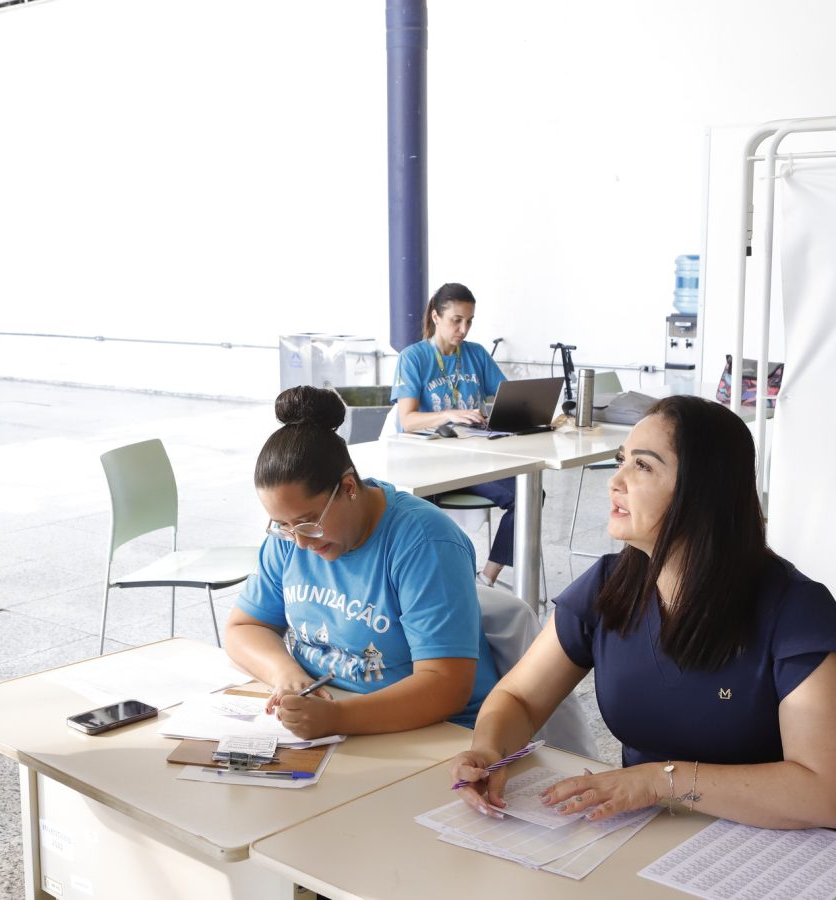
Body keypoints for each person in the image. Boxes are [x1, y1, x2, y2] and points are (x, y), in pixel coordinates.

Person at [450, 395, 836, 829]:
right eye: (621, 460)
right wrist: (489, 750)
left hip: (762, 848)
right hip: (638, 834)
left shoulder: (796, 610)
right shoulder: (608, 585)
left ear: (704, 491)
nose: (616, 481)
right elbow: (519, 697)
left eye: (643, 466)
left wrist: (659, 782)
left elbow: (823, 791)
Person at [224, 386, 499, 740]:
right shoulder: (291, 539)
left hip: (434, 732)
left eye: (308, 522)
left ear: (349, 486)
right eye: (283, 526)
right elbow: (244, 627)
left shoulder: (424, 543)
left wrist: (336, 718)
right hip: (331, 719)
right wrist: (286, 674)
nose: (301, 542)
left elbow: (445, 686)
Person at [391, 282, 517, 588]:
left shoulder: (475, 354)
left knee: (526, 495)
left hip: (474, 459)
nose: (464, 328)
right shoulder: (413, 357)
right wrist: (449, 414)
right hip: (430, 463)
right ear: (436, 317)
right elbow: (407, 420)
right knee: (420, 516)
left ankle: (486, 577)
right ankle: (430, 583)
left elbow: (507, 398)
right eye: (456, 320)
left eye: (469, 321)